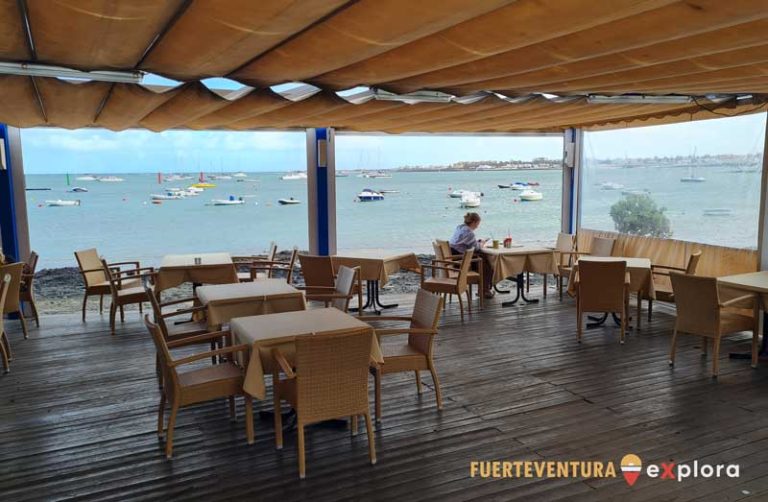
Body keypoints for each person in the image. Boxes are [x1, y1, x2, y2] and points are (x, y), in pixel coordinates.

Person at [448, 212, 494, 298]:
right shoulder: (469, 233)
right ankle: (484, 290)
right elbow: (477, 248)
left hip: (453, 257)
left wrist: (477, 243)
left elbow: (468, 244)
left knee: (483, 258)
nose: (477, 226)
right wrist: (482, 243)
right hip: (459, 261)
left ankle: (484, 289)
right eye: (477, 224)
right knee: (487, 264)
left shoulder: (460, 227)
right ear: (474, 222)